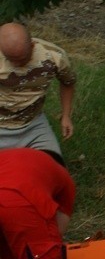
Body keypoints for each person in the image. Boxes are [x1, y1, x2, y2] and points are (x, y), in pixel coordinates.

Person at [0, 22, 77, 164]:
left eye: (22, 59)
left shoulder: (53, 56)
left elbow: (68, 82)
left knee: (53, 168)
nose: (17, 65)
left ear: (32, 45)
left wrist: (66, 116)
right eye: (11, 60)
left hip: (33, 125)